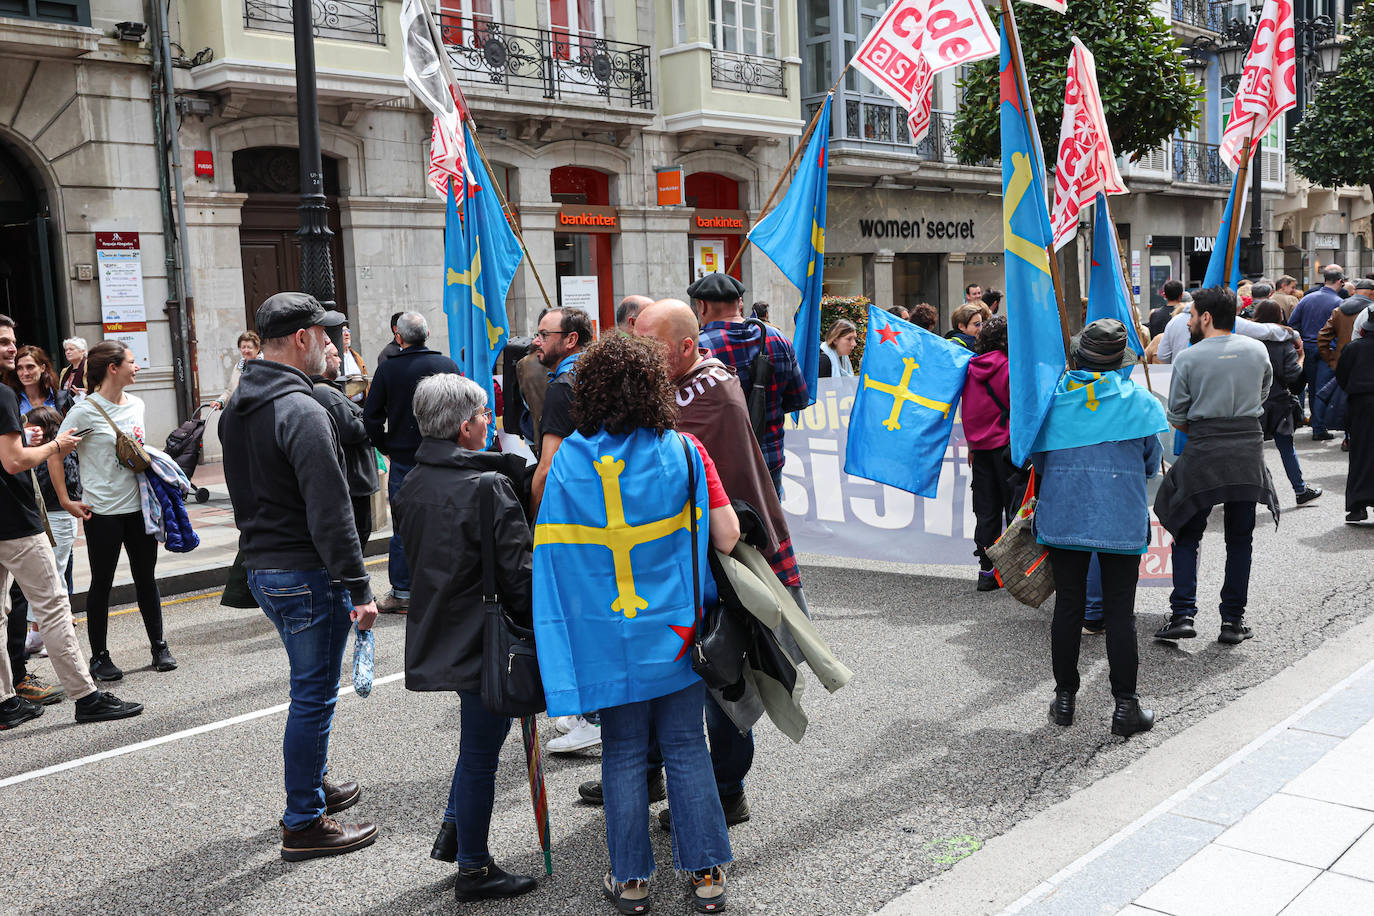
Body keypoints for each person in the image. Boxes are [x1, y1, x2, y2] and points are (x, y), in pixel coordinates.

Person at [532, 334, 738, 914]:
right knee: (685, 745)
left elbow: (552, 554)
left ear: (590, 391)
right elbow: (726, 536)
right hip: (674, 632)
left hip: (603, 635)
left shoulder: (567, 460)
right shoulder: (687, 450)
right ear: (655, 388)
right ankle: (707, 875)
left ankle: (630, 881)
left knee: (622, 752)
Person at [631, 297, 808, 828]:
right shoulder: (683, 387)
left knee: (724, 674)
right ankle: (653, 769)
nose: (641, 356)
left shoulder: (703, 397)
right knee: (675, 672)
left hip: (724, 558)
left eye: (651, 346)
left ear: (687, 346)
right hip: (683, 560)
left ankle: (726, 791)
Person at [220, 292, 379, 861]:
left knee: (310, 690)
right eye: (326, 336)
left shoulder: (239, 403)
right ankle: (303, 820)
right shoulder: (304, 410)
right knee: (314, 696)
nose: (334, 347)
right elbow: (331, 511)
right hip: (304, 570)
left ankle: (312, 786)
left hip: (266, 567)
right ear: (304, 338)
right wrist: (360, 589)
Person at [393, 374, 537, 902]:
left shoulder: (413, 481)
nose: (488, 423)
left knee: (478, 744)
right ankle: (474, 869)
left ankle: (457, 831)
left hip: (443, 627)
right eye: (483, 415)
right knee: (480, 752)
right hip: (487, 637)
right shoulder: (487, 485)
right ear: (464, 426)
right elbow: (519, 575)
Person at [0, 314, 143, 729]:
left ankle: (6, 703)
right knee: (54, 606)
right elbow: (13, 463)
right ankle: (87, 696)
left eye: (12, 340)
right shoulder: (4, 395)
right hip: (15, 521)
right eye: (4, 343)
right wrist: (56, 445)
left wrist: (26, 442)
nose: (12, 348)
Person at [1032, 318, 1164, 738]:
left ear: (1079, 355)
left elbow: (1038, 460)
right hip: (1119, 516)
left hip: (1064, 512)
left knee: (1069, 605)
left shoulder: (1052, 402)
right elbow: (1150, 463)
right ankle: (1126, 706)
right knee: (1120, 611)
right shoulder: (1139, 402)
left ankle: (1065, 699)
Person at [1154, 286, 1277, 647]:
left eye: (1191, 316)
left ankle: (1183, 614)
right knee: (1240, 538)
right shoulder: (1258, 350)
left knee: (1186, 532)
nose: (1189, 322)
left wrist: (1206, 428)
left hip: (1204, 448)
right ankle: (1233, 622)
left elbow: (1176, 415)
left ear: (1206, 317)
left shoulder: (1188, 359)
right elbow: (1263, 394)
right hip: (1247, 449)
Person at [58, 341, 177, 679]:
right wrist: (67, 500)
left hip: (139, 508)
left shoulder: (137, 404)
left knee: (145, 577)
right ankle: (99, 657)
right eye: (131, 361)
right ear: (113, 367)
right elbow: (56, 452)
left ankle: (159, 646)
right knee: (102, 582)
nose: (136, 367)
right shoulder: (84, 411)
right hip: (103, 512)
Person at [525, 306, 599, 751]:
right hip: (607, 513)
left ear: (570, 340)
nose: (536, 341)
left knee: (578, 618)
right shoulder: (599, 374)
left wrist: (534, 516)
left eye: (543, 334)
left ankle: (594, 718)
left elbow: (548, 467)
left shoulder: (563, 387)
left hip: (573, 517)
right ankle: (591, 712)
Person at [363, 311, 461, 614]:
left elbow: (371, 418)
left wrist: (386, 446)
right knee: (448, 521)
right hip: (445, 454)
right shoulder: (447, 366)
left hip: (406, 457)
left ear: (399, 337)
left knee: (404, 528)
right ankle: (448, 589)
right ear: (428, 335)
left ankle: (404, 592)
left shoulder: (388, 369)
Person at [692, 272, 809, 494]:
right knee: (770, 527)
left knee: (726, 529)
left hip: (721, 468)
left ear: (702, 306)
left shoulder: (699, 348)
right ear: (740, 303)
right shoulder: (777, 338)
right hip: (770, 461)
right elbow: (798, 399)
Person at [961, 316, 1020, 592]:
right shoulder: (1011, 368)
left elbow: (969, 411)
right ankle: (1015, 571)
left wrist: (972, 444)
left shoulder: (969, 368)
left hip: (980, 450)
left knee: (986, 511)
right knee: (1015, 509)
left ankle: (987, 570)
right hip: (1008, 448)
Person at [311, 338, 379, 551]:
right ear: (322, 361)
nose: (340, 359)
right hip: (353, 482)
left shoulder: (330, 391)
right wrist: (367, 419)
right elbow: (351, 430)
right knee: (355, 541)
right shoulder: (324, 393)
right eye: (334, 355)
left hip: (355, 482)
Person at [1252, 300, 1322, 506]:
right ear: (1279, 317)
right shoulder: (1284, 344)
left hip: (1252, 402)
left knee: (1250, 449)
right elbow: (1293, 375)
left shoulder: (1248, 341)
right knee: (1286, 447)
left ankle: (1242, 492)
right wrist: (1301, 357)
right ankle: (1300, 490)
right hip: (1278, 401)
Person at [1289, 265, 1346, 440]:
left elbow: (1292, 323)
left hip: (1308, 348)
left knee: (1313, 387)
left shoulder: (1307, 299)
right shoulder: (1338, 303)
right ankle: (1319, 428)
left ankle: (1317, 422)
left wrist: (1301, 341)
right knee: (1323, 388)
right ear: (1339, 282)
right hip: (1328, 349)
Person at [1337, 307, 1374, 522]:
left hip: (1361, 405)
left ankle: (1358, 506)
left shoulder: (1353, 348)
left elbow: (1342, 376)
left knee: (1360, 454)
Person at [6, 346, 73, 416]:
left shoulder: (62, 398)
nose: (25, 373)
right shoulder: (10, 401)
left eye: (30, 367)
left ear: (42, 368)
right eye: (20, 368)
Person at [211, 331, 261, 411]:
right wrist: (220, 401)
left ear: (257, 348)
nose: (246, 350)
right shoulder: (238, 367)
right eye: (243, 347)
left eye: (249, 347)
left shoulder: (264, 366)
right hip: (239, 413)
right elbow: (230, 390)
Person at [339, 324, 369, 404]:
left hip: (360, 405)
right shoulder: (335, 358)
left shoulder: (355, 356)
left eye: (348, 331)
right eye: (343, 331)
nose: (347, 334)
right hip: (344, 406)